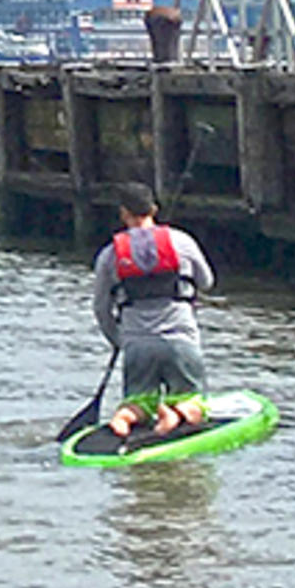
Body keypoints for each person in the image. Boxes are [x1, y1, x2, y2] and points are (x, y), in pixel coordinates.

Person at [93, 184, 215, 437]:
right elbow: (207, 282)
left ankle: (123, 418)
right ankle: (177, 413)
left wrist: (119, 340)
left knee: (138, 401)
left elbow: (101, 308)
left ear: (123, 214)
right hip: (180, 339)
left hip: (137, 345)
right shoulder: (182, 242)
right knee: (194, 402)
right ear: (154, 209)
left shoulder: (109, 255)